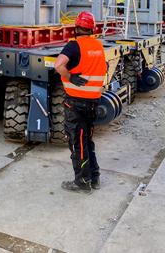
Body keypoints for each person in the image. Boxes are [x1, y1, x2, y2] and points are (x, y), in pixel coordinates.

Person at [54, 11, 106, 194]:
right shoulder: (98, 46)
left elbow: (58, 65)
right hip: (93, 102)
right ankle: (95, 177)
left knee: (77, 143)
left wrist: (70, 76)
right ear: (91, 29)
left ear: (76, 27)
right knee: (87, 141)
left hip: (76, 103)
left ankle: (82, 182)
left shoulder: (73, 46)